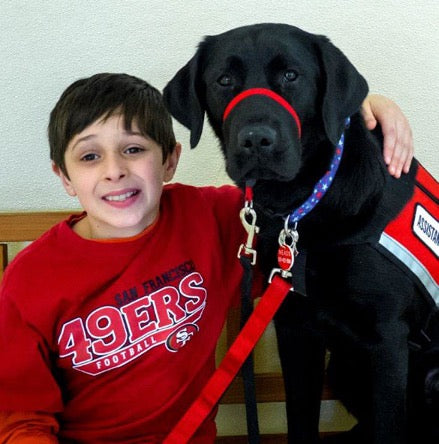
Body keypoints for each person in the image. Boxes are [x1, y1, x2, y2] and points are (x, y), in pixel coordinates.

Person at [0, 73, 414, 443]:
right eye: (90, 156)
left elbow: (312, 195)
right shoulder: (29, 280)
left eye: (133, 149)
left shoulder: (214, 218)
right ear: (64, 177)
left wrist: (363, 112)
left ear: (170, 161)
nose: (114, 171)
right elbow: (21, 419)